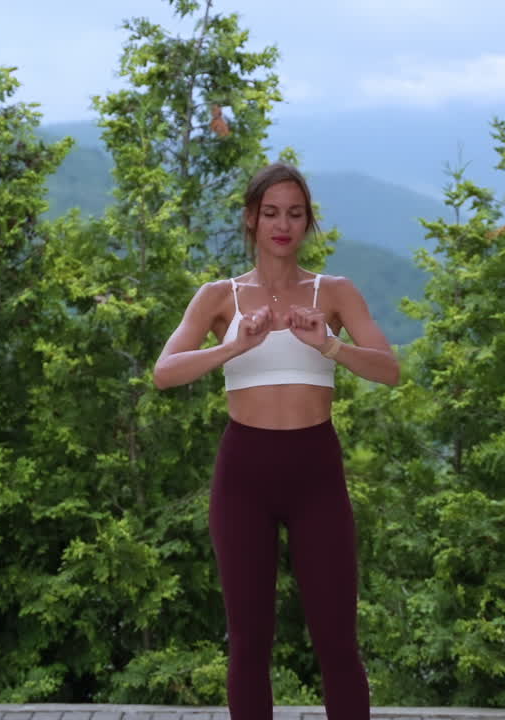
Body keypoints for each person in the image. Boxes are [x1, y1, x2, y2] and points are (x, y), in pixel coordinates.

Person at [152, 162, 400, 720]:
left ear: (307, 222)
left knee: (337, 641)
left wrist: (329, 346)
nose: (283, 225)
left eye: (295, 213)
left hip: (316, 471)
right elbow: (164, 373)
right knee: (249, 642)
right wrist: (233, 348)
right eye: (271, 213)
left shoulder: (333, 292)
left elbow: (389, 370)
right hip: (244, 474)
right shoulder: (220, 298)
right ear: (251, 220)